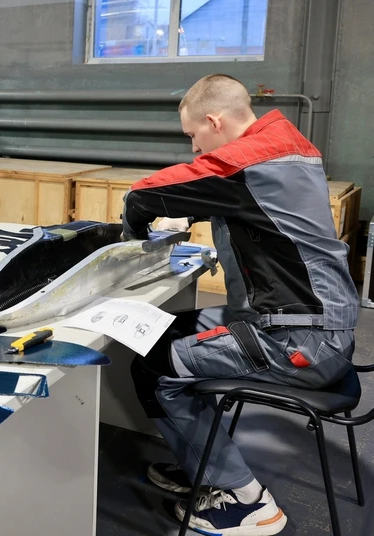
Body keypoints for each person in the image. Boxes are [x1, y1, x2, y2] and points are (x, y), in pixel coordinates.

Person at [122, 74, 358, 535]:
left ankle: (246, 502)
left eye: (193, 135)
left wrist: (132, 237)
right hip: (305, 322)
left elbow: (143, 193)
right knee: (162, 331)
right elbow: (245, 205)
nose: (194, 148)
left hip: (299, 341)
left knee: (153, 367)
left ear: (213, 121)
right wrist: (186, 211)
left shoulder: (249, 160)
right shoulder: (285, 146)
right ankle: (204, 467)